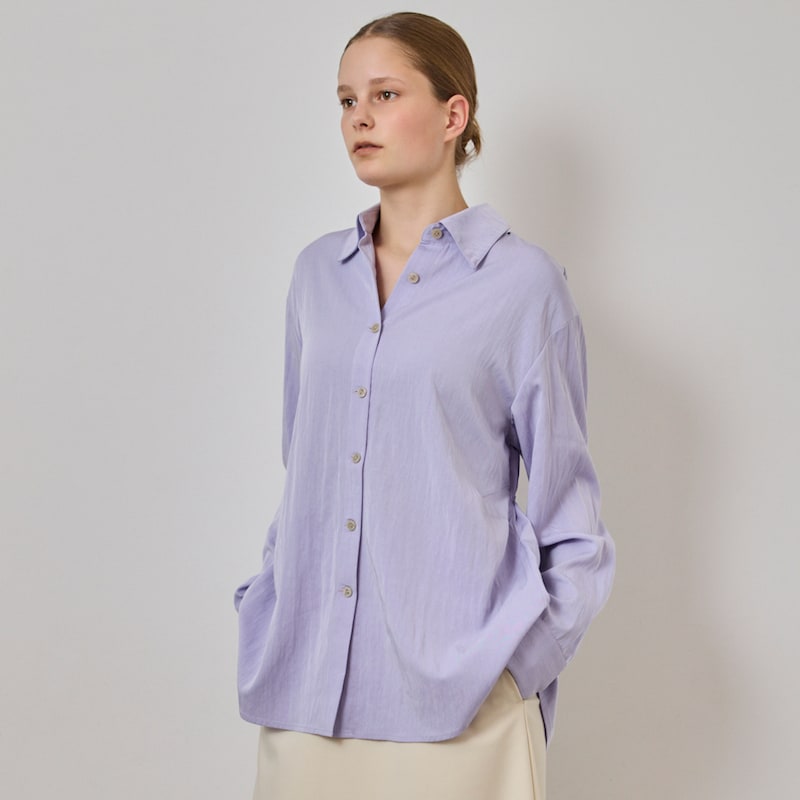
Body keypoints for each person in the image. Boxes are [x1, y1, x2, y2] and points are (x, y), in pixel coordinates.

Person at [233, 11, 615, 800]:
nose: (359, 118)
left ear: (453, 115)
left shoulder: (523, 288)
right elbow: (305, 467)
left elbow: (572, 524)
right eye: (346, 100)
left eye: (384, 94)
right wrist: (267, 604)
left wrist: (510, 674)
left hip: (461, 710)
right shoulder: (317, 277)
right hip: (307, 696)